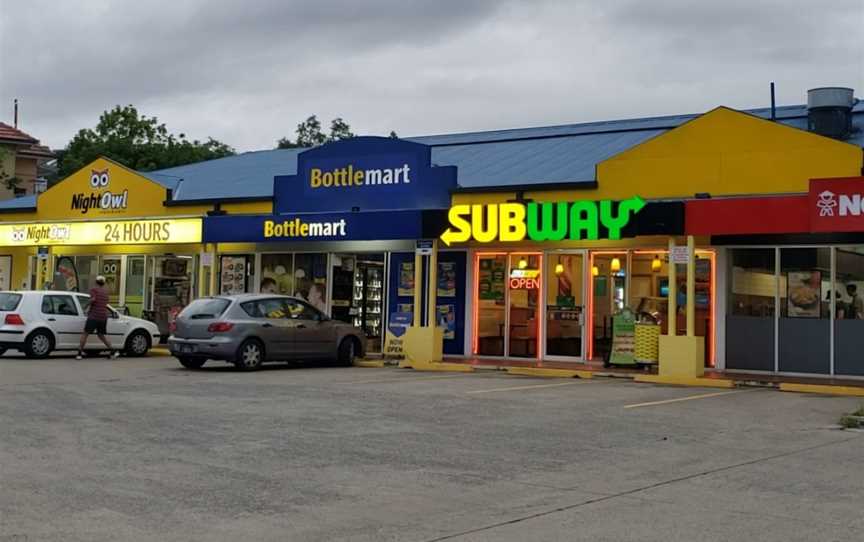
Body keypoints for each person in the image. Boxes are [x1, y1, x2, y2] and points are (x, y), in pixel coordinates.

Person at [76, 275, 119, 360]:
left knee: (85, 333)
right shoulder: (106, 292)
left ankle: (79, 353)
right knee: (101, 335)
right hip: (103, 317)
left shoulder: (94, 290)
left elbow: (93, 299)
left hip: (94, 316)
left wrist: (85, 306)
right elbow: (105, 303)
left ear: (96, 282)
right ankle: (113, 350)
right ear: (103, 283)